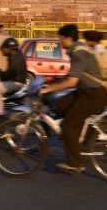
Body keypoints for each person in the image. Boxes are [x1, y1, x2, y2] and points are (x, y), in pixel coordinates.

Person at [39, 24, 107, 174]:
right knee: (61, 103)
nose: (59, 42)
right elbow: (75, 75)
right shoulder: (79, 48)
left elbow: (72, 82)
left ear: (68, 39)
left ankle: (75, 162)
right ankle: (75, 138)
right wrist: (54, 82)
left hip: (93, 94)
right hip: (85, 91)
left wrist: (48, 88)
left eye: (60, 39)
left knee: (69, 125)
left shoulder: (78, 53)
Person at [0, 37, 27, 121]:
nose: (3, 51)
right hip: (14, 81)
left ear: (10, 49)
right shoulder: (15, 55)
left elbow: (6, 76)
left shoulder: (16, 61)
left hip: (16, 83)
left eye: (5, 49)